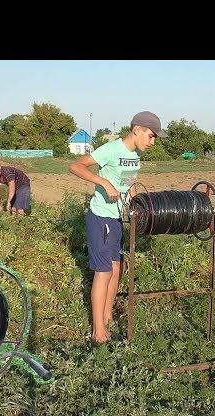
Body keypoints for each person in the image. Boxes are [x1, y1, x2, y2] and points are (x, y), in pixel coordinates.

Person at [69, 111, 167, 344]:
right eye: (151, 136)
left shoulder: (135, 156)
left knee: (117, 268)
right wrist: (104, 182)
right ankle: (98, 332)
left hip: (116, 220)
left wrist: (137, 208)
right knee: (103, 272)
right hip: (101, 217)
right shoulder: (112, 149)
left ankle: (108, 317)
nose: (152, 142)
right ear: (138, 130)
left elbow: (130, 185)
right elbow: (76, 166)